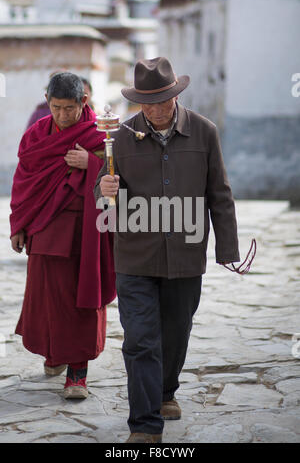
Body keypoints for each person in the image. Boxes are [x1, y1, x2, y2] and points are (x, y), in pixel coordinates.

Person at [94, 57, 240, 443]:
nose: (156, 109)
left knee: (176, 332)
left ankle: (165, 392)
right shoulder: (120, 138)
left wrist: (227, 246)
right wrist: (105, 191)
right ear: (138, 100)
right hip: (135, 255)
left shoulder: (205, 132)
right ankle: (144, 425)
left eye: (163, 100)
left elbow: (219, 193)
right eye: (148, 102)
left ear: (175, 95)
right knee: (140, 338)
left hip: (186, 254)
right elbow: (102, 193)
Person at [10, 72, 116, 399]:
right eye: (56, 107)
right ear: (47, 100)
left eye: (69, 108)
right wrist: (19, 226)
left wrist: (91, 164)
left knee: (80, 299)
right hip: (44, 228)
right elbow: (24, 183)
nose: (62, 115)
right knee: (46, 298)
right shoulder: (36, 136)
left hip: (85, 229)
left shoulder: (102, 135)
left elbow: (119, 181)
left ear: (83, 102)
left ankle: (78, 374)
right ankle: (54, 354)